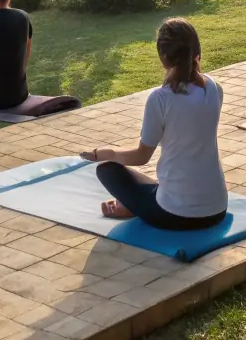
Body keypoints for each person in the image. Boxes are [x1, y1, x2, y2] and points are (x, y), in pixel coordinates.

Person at [79, 18, 228, 230]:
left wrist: (107, 153)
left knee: (107, 170)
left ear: (163, 57)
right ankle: (138, 203)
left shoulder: (161, 98)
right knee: (156, 181)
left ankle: (133, 206)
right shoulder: (214, 88)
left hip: (175, 215)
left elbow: (142, 157)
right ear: (197, 50)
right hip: (217, 209)